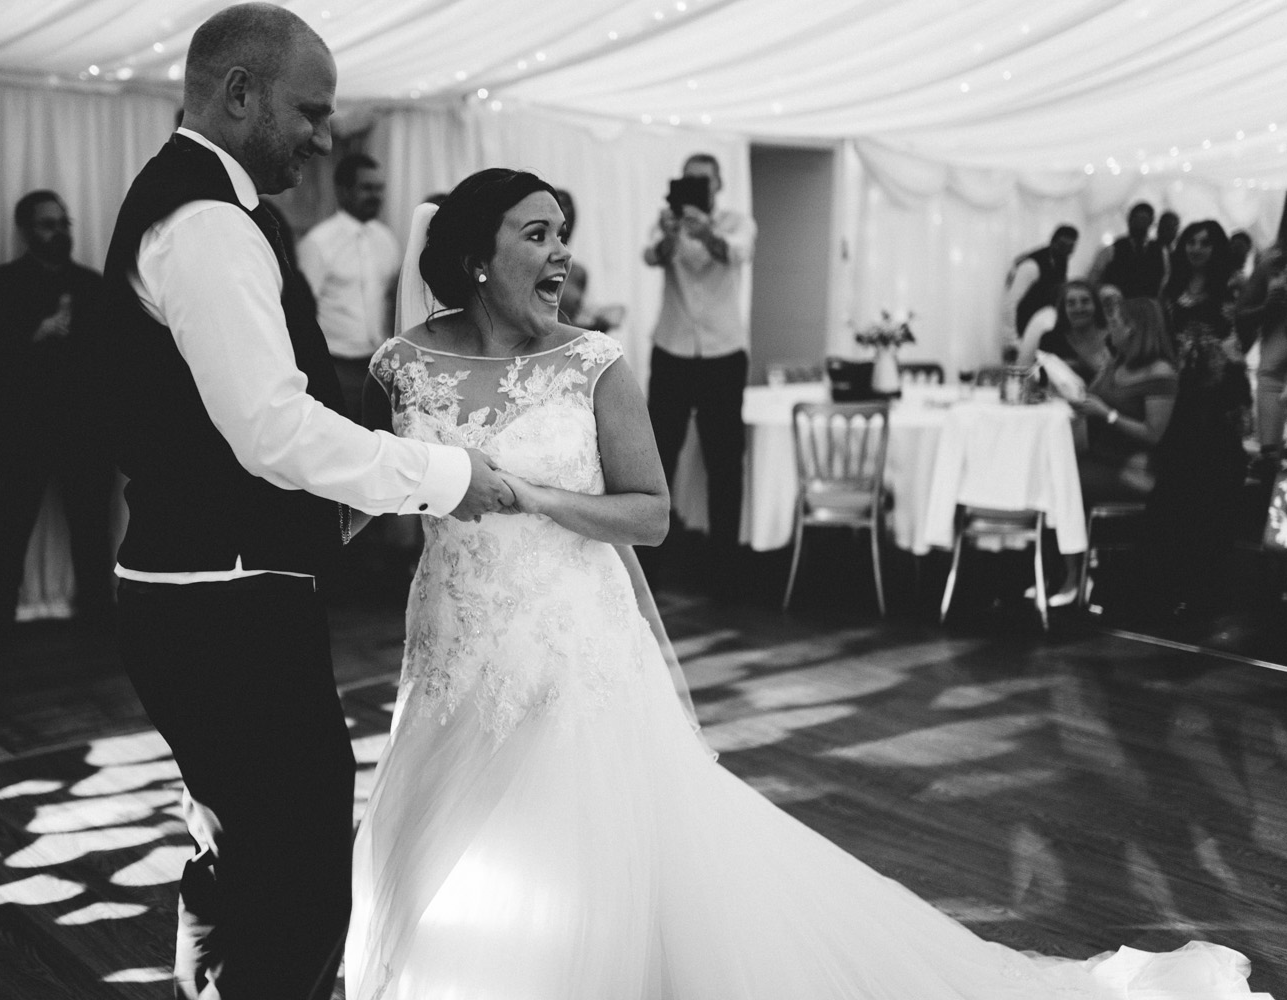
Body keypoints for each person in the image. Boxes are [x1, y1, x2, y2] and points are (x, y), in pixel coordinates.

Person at [344, 167, 1269, 1000]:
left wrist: (524, 494)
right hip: (454, 637)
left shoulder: (593, 363)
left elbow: (650, 513)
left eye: (562, 233)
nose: (562, 253)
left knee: (575, 848)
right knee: (441, 838)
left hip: (568, 641)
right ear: (473, 254)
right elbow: (380, 484)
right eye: (536, 234)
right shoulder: (405, 363)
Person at [99, 6, 512, 998]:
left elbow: (234, 432)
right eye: (311, 111)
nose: (326, 137)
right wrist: (442, 479)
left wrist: (357, 496)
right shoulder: (204, 223)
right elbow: (272, 433)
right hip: (218, 603)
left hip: (211, 585)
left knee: (242, 840)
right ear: (238, 93)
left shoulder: (218, 208)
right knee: (302, 870)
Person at [0, 190, 114, 634]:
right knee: (11, 528)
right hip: (24, 427)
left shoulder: (91, 285)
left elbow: (114, 353)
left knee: (91, 531)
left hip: (86, 429)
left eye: (65, 222)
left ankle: (100, 622)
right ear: (26, 231)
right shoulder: (2, 283)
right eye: (49, 224)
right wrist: (34, 332)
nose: (61, 231)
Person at [642, 152, 756, 590]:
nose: (695, 188)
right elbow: (652, 256)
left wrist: (703, 229)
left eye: (703, 181)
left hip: (724, 354)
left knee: (725, 461)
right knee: (658, 458)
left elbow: (734, 253)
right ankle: (651, 566)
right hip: (672, 350)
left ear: (719, 184)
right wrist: (672, 232)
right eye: (688, 180)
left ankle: (725, 571)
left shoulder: (736, 222)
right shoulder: (665, 221)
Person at [1152, 219, 1252, 617]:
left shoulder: (1231, 286)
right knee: (1177, 489)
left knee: (1210, 492)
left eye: (1204, 243)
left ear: (1217, 248)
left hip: (1216, 398)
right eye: (1190, 242)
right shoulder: (1172, 288)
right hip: (1178, 396)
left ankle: (1206, 587)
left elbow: (1240, 340)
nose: (1196, 249)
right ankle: (1172, 583)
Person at [1059, 298, 1178, 600]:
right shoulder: (1118, 362)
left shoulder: (1160, 373)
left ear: (1133, 328)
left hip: (1133, 469)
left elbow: (1154, 434)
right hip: (1101, 457)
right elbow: (1093, 396)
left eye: (1114, 322)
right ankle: (1062, 570)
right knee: (1053, 471)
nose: (1109, 327)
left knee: (1062, 481)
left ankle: (1074, 577)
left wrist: (1106, 414)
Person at [298, 151, 402, 423]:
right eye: (367, 188)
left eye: (379, 188)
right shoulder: (318, 243)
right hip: (336, 364)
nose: (375, 196)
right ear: (343, 191)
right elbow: (301, 313)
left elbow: (392, 299)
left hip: (379, 364)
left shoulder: (386, 239)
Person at [1235, 244, 1287, 477]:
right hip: (1275, 344)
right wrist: (1268, 307)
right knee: (1269, 378)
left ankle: (1269, 455)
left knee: (1269, 377)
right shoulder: (1273, 264)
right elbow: (1242, 312)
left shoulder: (1274, 263)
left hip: (1274, 353)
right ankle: (1269, 455)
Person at [553, 188, 626, 332]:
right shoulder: (533, 267)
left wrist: (599, 320)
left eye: (570, 213)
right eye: (561, 209)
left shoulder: (578, 272)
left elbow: (577, 315)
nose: (566, 216)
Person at [1015, 278, 1111, 383]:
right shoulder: (1051, 340)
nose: (1079, 308)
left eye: (1085, 301)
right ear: (1063, 309)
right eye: (1071, 303)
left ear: (1096, 305)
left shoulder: (1113, 339)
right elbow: (1038, 380)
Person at [1004, 224, 1078, 342]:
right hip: (1024, 332)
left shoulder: (1061, 261)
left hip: (1043, 330)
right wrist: (1012, 340)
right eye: (1063, 245)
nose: (1067, 252)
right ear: (1053, 241)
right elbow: (1010, 303)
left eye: (1070, 247)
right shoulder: (1031, 265)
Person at [1088, 202, 1166, 299]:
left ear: (1151, 222)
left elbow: (1164, 281)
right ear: (1129, 220)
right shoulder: (1111, 250)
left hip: (1148, 306)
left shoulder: (1160, 251)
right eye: (1136, 219)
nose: (1139, 223)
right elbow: (1093, 279)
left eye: (1144, 219)